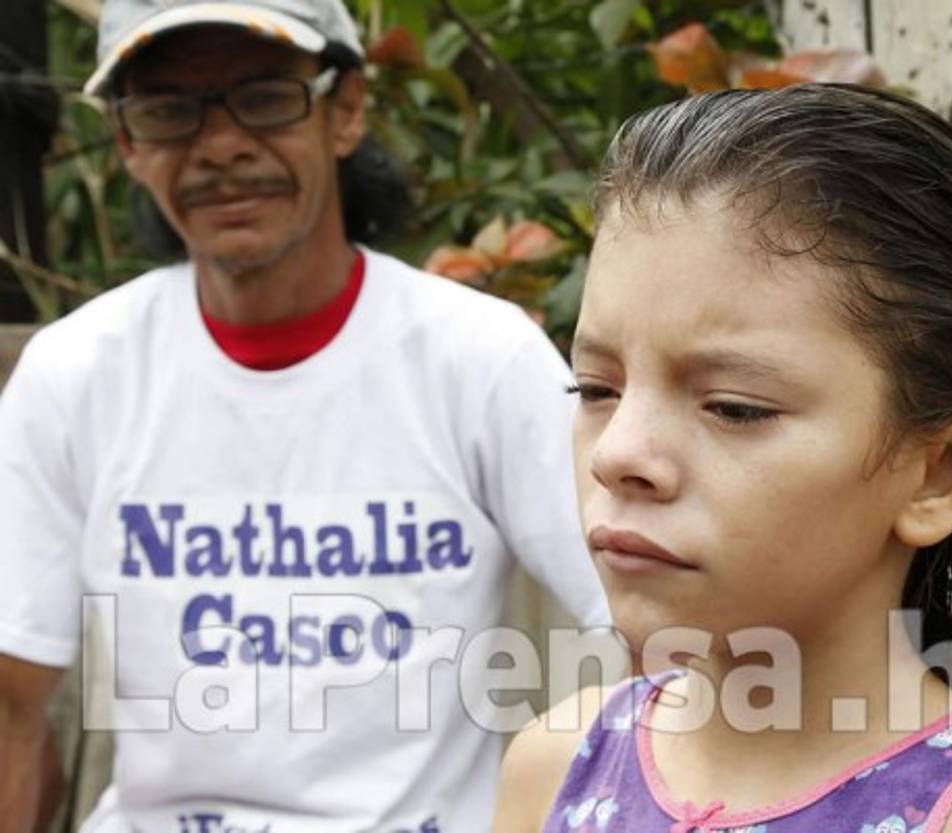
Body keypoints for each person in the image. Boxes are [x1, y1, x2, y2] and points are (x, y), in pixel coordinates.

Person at [0, 1, 609, 831]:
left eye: (262, 96)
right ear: (128, 145)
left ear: (346, 109)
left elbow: (650, 624)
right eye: (170, 110)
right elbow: (12, 703)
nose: (219, 144)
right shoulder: (76, 374)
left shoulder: (479, 360)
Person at [493, 85, 952, 833]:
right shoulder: (554, 764)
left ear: (940, 473)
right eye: (596, 387)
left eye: (734, 406)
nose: (620, 453)